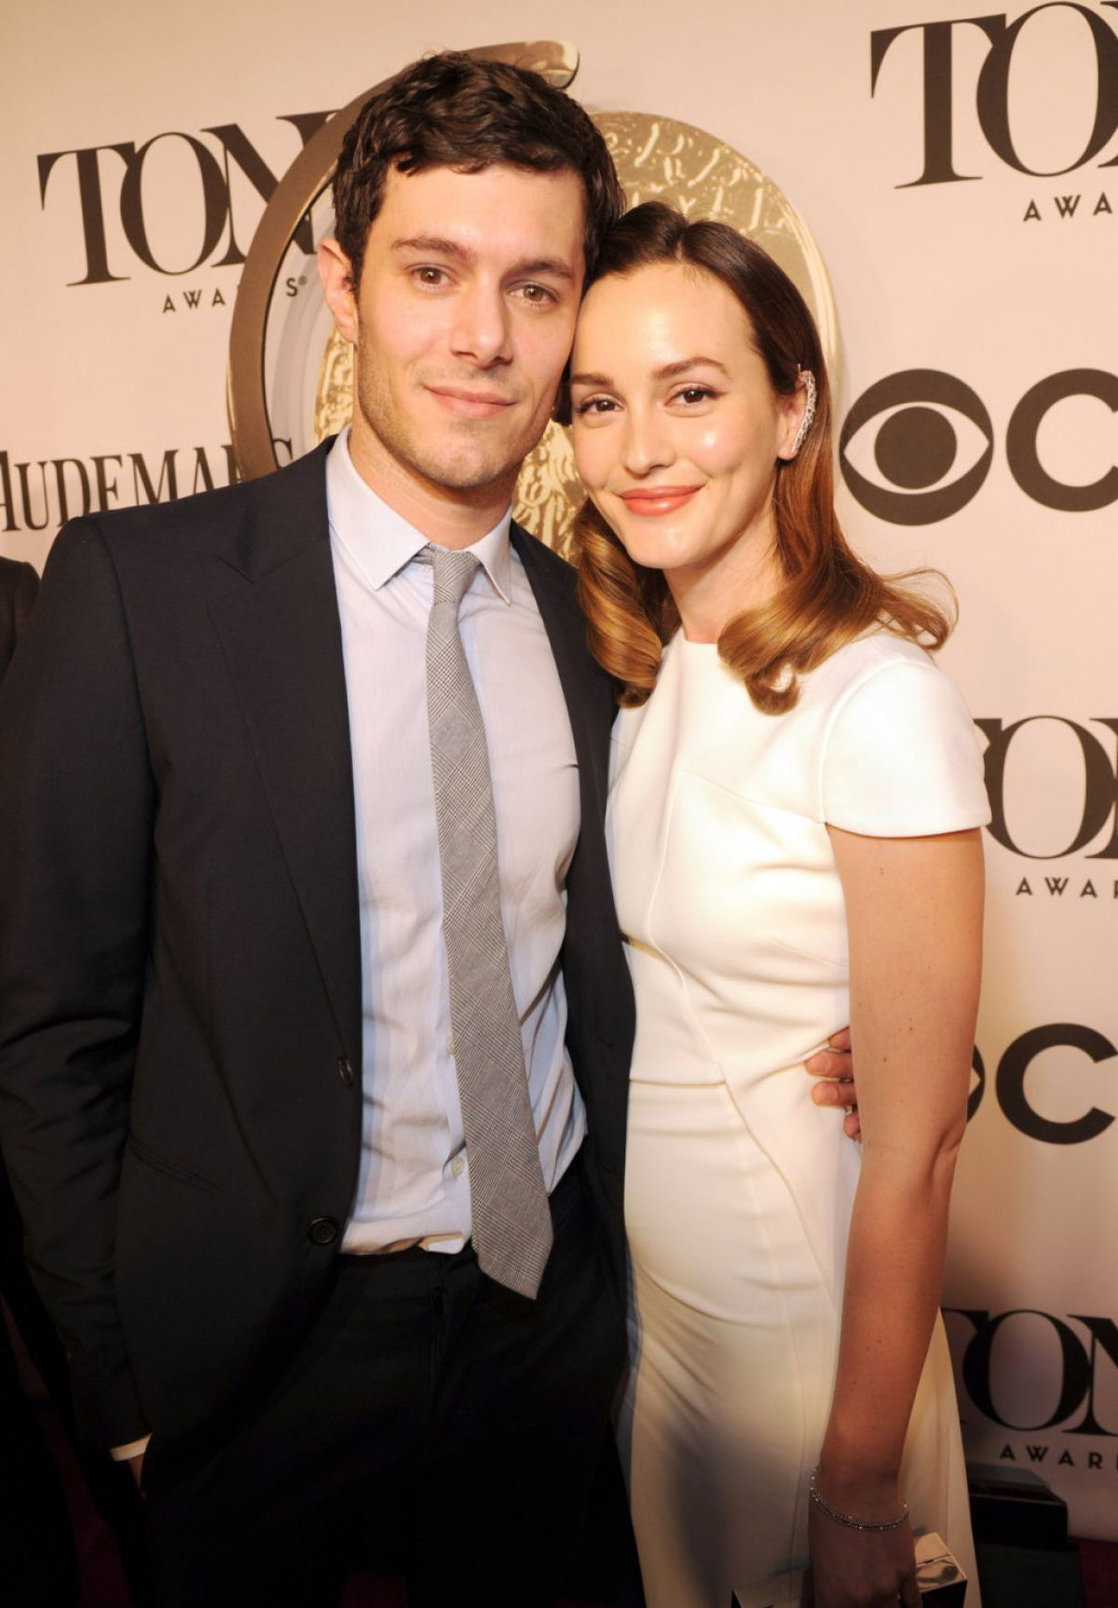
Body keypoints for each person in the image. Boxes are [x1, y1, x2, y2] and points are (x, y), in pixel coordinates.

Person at [0, 55, 854, 1608]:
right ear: (342, 286)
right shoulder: (139, 591)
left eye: (536, 287)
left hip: (549, 1329)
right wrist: (114, 1382)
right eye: (431, 272)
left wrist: (834, 1037)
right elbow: (51, 1025)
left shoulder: (607, 626)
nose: (483, 337)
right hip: (249, 1364)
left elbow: (657, 933)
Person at [568, 202, 988, 1608]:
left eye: (691, 393)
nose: (640, 448)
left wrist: (858, 1483)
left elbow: (917, 1147)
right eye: (599, 403)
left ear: (793, 406)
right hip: (660, 1319)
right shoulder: (640, 678)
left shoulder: (876, 703)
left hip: (798, 1331)